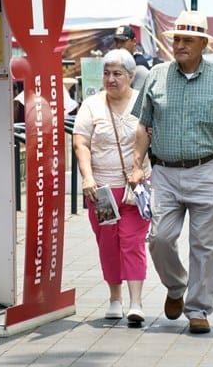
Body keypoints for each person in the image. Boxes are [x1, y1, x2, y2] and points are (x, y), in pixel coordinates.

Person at [128, 10, 213, 334]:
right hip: (165, 173)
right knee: (159, 238)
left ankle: (198, 309)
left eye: (186, 40)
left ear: (202, 44)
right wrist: (136, 164)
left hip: (208, 171)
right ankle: (176, 286)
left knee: (206, 245)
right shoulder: (156, 75)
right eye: (176, 39)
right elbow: (143, 125)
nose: (179, 45)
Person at [72, 49, 152, 323]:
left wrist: (140, 168)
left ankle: (136, 303)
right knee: (108, 243)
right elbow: (80, 142)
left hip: (136, 188)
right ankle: (115, 298)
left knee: (132, 242)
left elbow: (153, 136)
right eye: (106, 73)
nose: (111, 79)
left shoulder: (143, 103)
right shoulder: (91, 105)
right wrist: (87, 176)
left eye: (117, 73)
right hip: (101, 191)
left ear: (131, 76)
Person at [114, 25, 150, 90]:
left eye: (123, 41)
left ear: (134, 42)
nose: (119, 45)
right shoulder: (120, 62)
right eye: (117, 42)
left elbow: (137, 97)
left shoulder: (139, 64)